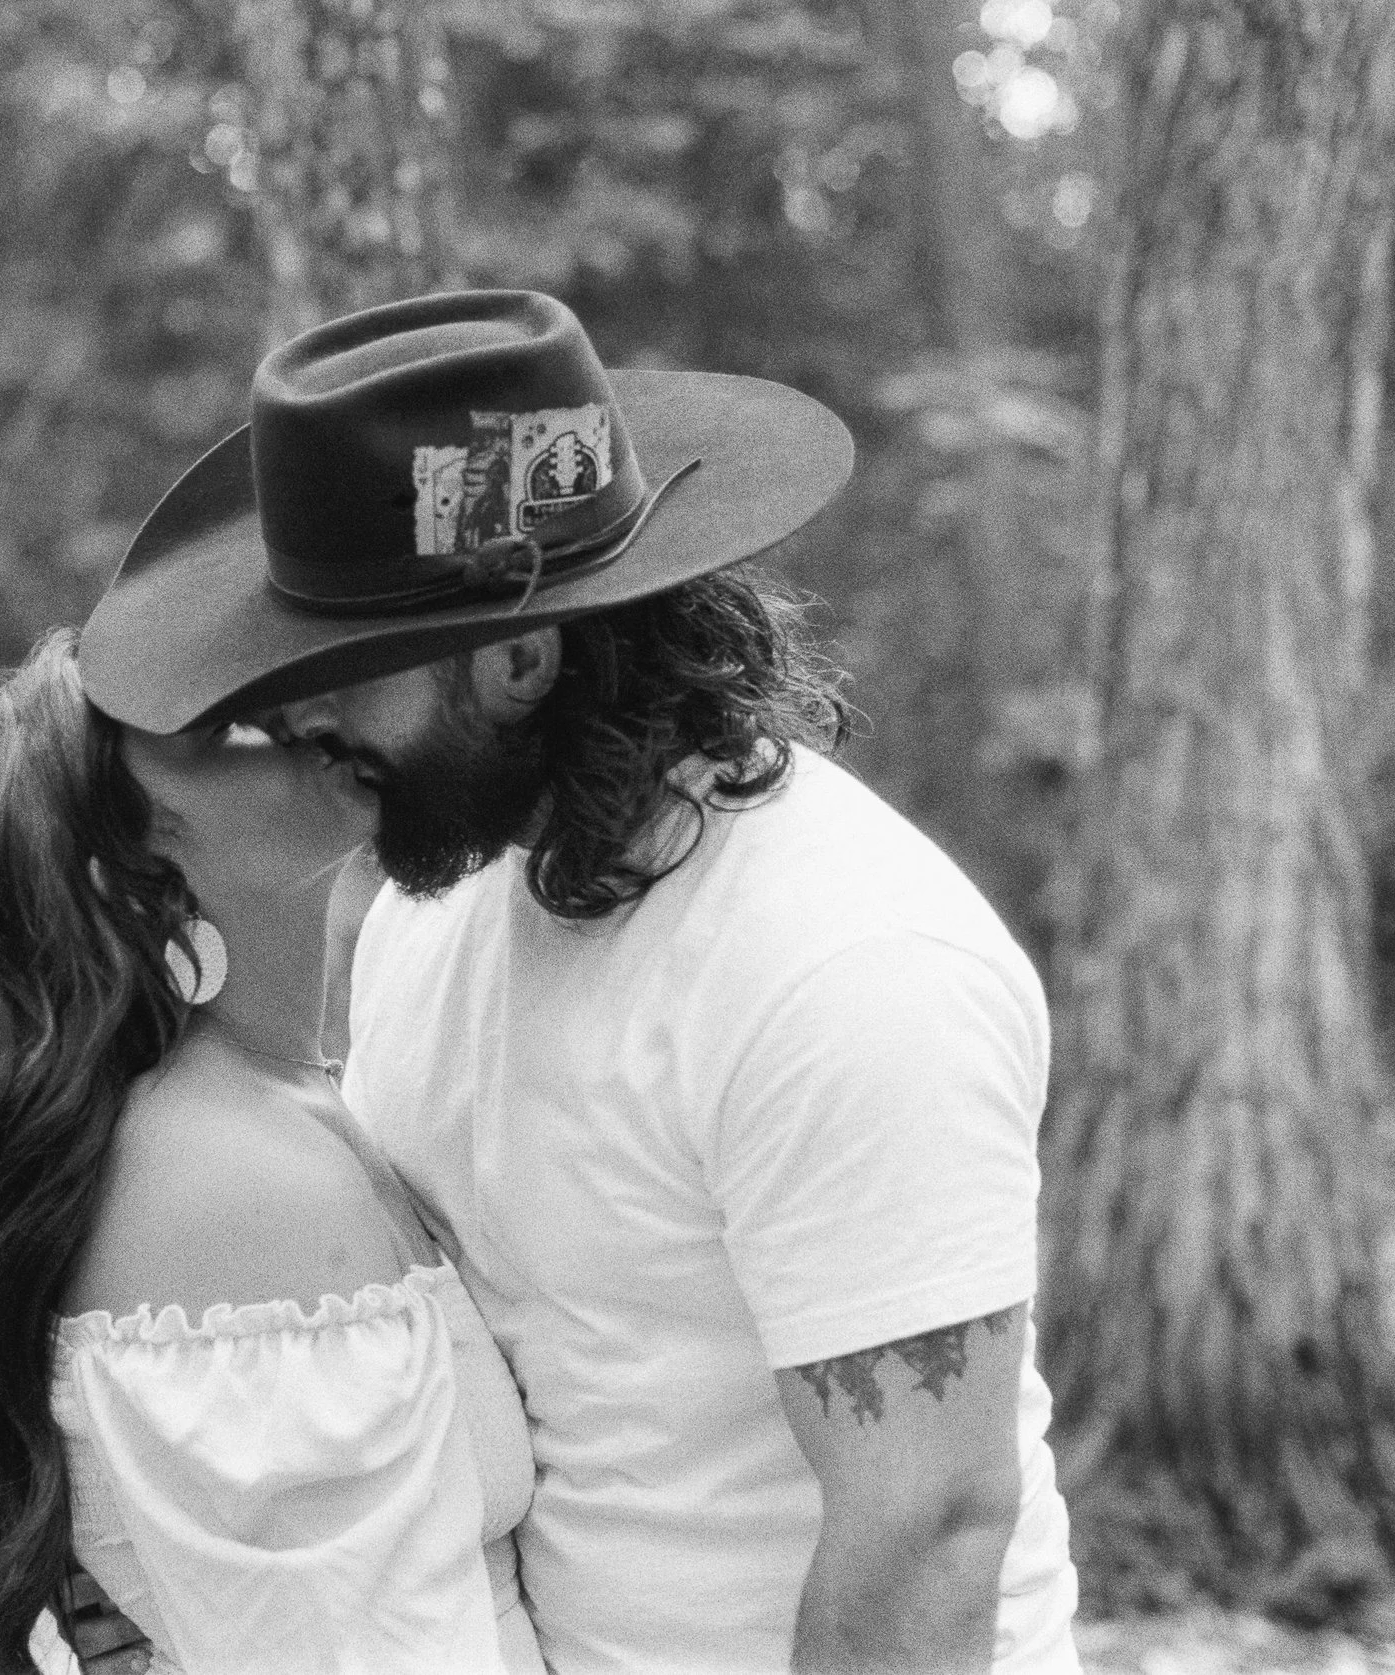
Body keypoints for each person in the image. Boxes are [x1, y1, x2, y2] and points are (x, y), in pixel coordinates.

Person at [75, 289, 1079, 1671]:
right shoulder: (438, 907)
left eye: (346, 673)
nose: (296, 715)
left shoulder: (846, 966)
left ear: (517, 656)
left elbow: (931, 1530)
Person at [0, 632, 542, 1675]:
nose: (312, 716)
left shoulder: (276, 1100)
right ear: (130, 873)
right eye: (228, 725)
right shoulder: (228, 1185)